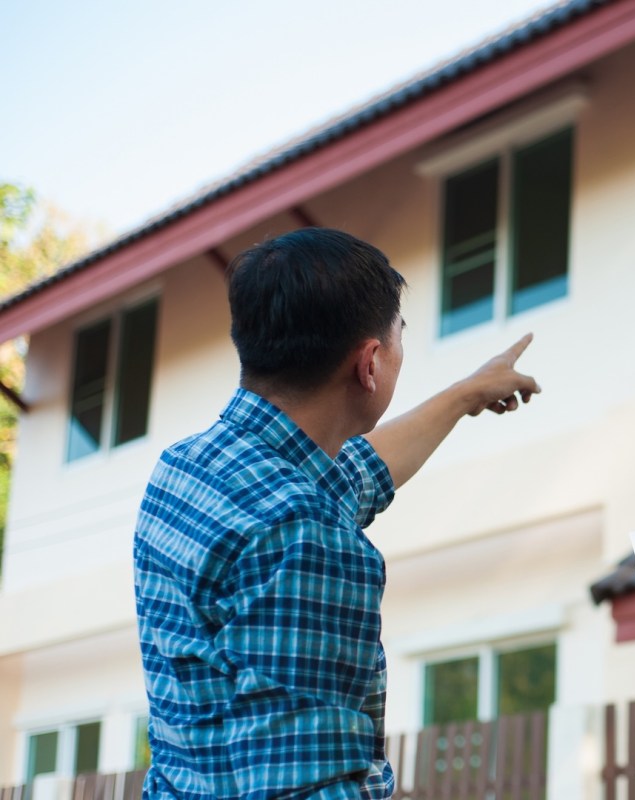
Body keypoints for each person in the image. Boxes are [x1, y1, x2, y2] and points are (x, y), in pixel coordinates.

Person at [133, 228, 540, 798]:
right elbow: (309, 784)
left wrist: (465, 394)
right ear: (370, 363)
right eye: (400, 336)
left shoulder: (187, 470)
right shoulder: (311, 536)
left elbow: (353, 475)